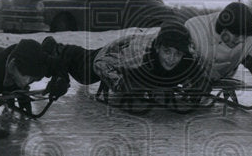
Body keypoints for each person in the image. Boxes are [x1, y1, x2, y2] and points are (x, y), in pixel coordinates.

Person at [41, 20, 206, 99]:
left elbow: (195, 68)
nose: (171, 59)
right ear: (158, 48)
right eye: (167, 52)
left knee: (88, 55)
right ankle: (56, 48)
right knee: (85, 71)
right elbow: (101, 64)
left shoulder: (188, 53)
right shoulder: (138, 56)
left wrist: (197, 83)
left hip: (125, 49)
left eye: (177, 54)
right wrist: (121, 85)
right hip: (105, 58)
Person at [181, 1, 252, 83]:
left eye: (244, 35)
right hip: (196, 74)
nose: (241, 40)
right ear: (222, 29)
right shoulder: (195, 28)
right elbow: (181, 55)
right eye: (236, 35)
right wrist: (202, 69)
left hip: (226, 71)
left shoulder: (249, 35)